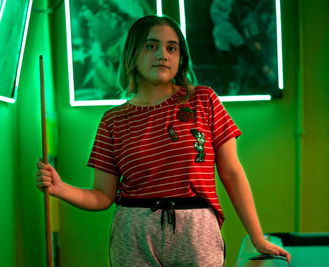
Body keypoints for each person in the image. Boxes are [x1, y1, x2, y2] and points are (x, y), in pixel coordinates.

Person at [36, 15, 291, 267]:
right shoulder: (112, 120)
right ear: (133, 54)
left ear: (181, 58)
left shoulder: (204, 100)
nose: (163, 55)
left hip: (196, 231)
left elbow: (232, 173)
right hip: (133, 234)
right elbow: (103, 195)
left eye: (172, 48)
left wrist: (257, 238)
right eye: (151, 46)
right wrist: (60, 189)